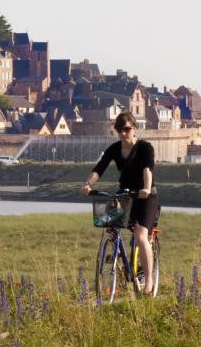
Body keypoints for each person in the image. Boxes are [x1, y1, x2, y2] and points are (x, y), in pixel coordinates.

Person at [81, 111, 160, 295]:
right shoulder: (115, 149)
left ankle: (148, 282)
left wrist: (146, 189)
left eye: (126, 129)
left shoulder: (145, 148)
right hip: (125, 193)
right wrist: (88, 184)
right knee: (110, 223)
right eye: (120, 130)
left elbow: (147, 170)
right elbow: (99, 168)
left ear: (134, 128)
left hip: (146, 196)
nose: (123, 134)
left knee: (141, 235)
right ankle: (118, 261)